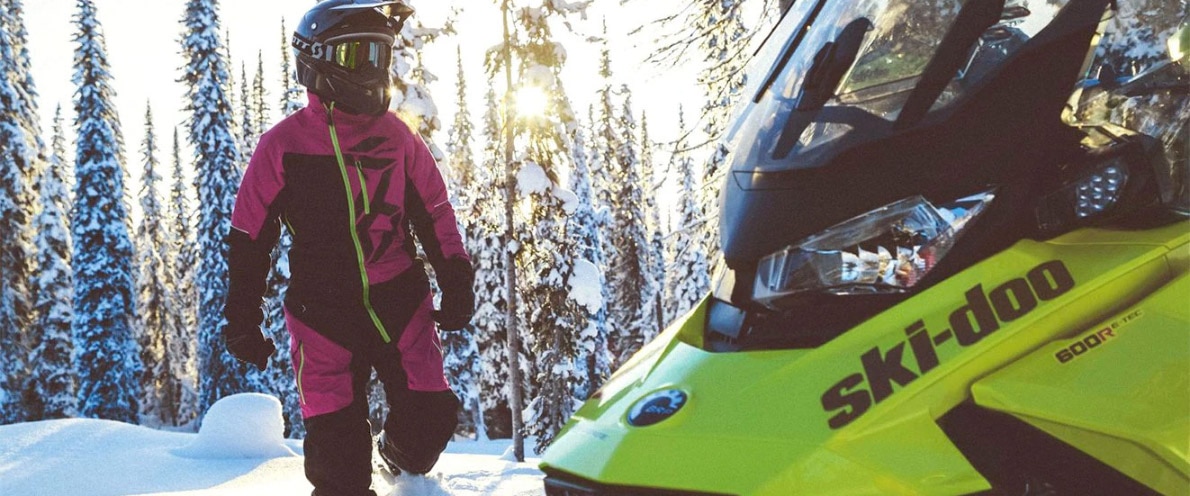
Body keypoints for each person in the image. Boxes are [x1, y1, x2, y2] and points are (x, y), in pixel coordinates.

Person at [221, 1, 475, 495]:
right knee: (338, 469)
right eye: (359, 55)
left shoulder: (398, 138)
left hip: (399, 300)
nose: (373, 70)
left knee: (431, 420)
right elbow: (249, 236)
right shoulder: (283, 145)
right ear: (319, 60)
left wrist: (456, 281)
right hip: (322, 315)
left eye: (380, 55)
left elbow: (435, 213)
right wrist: (242, 316)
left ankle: (397, 459)